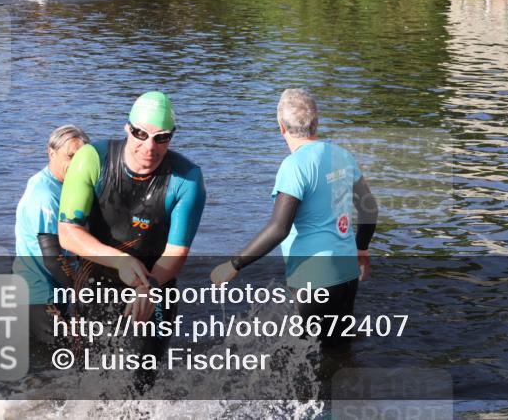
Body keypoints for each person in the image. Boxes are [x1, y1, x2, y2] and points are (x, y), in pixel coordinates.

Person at [58, 91, 206, 391]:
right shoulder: (92, 159)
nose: (149, 147)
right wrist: (120, 260)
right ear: (127, 129)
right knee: (89, 384)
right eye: (141, 134)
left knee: (141, 388)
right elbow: (68, 233)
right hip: (94, 283)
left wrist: (148, 288)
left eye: (161, 138)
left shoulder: (187, 179)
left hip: (155, 286)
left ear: (171, 138)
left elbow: (176, 254)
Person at [211, 88, 378, 347]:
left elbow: (278, 229)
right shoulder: (342, 155)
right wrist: (362, 250)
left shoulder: (294, 166)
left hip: (314, 277)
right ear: (317, 122)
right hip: (347, 272)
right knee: (339, 351)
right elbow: (369, 209)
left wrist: (233, 265)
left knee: (304, 361)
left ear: (281, 126)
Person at [14, 125, 90, 345]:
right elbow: (54, 259)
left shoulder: (64, 184)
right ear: (51, 152)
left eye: (80, 158)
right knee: (72, 356)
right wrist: (86, 294)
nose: (76, 164)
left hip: (53, 289)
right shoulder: (45, 196)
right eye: (70, 156)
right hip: (39, 293)